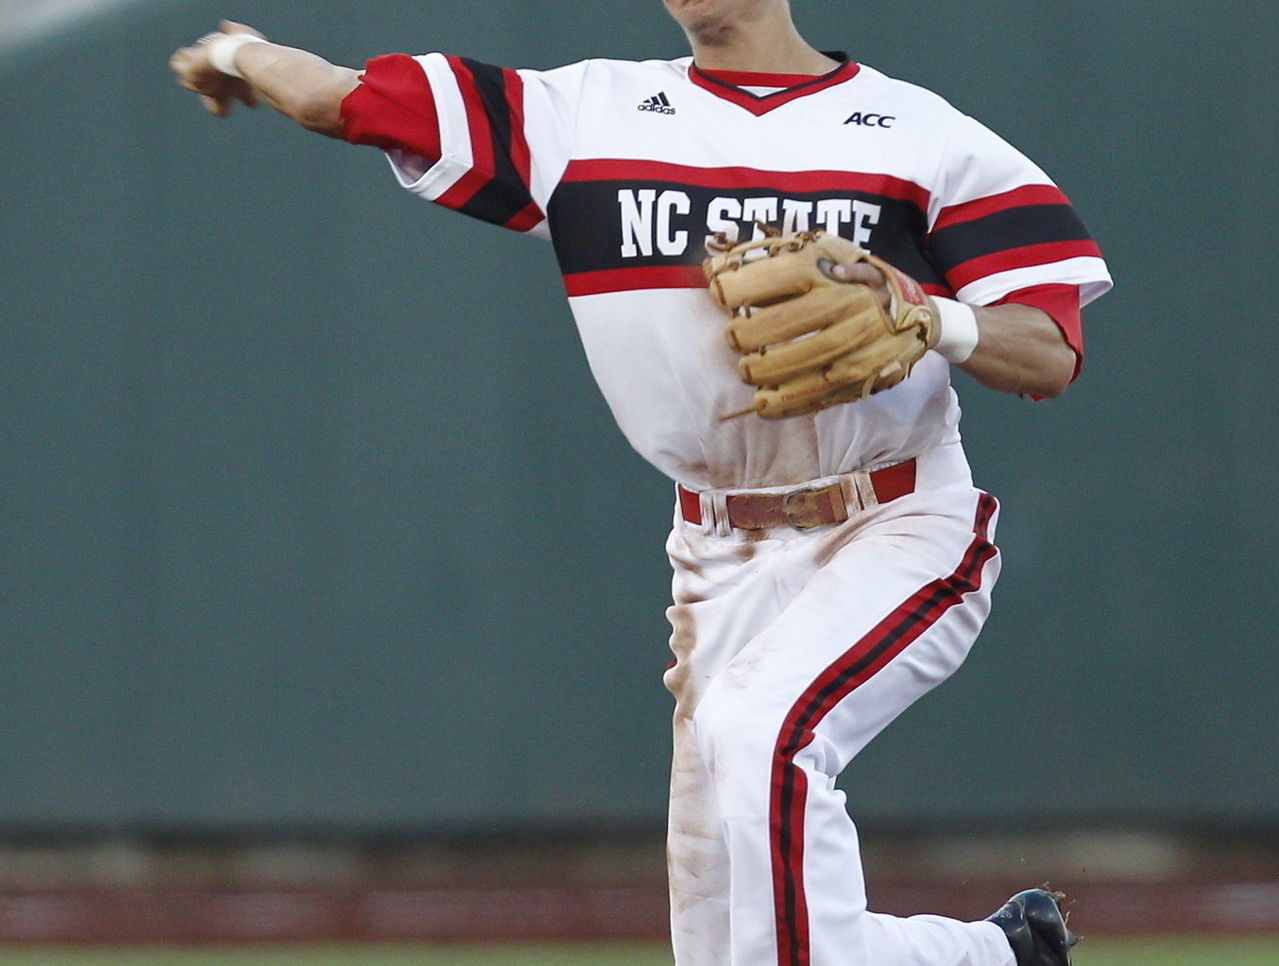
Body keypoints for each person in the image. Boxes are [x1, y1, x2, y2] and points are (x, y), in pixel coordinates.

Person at [169, 4, 1111, 965]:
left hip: (895, 521)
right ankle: (1001, 958)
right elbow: (347, 99)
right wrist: (239, 53)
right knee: (721, 945)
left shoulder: (923, 137)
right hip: (716, 555)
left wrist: (930, 317)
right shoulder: (582, 119)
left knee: (761, 731)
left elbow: (1048, 348)